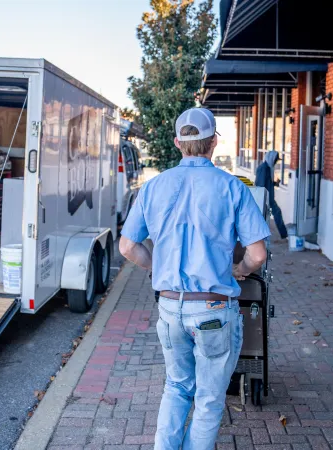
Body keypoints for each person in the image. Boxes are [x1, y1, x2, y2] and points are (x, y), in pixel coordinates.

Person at [119, 107, 270, 450]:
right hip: (215, 308)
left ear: (177, 143)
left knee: (176, 387)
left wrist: (157, 266)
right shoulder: (232, 187)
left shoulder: (154, 187)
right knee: (208, 399)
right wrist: (241, 270)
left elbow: (127, 246)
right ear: (213, 142)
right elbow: (258, 254)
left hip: (171, 308)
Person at [254, 150, 288, 240]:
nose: (276, 162)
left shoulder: (268, 168)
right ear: (271, 159)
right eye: (275, 160)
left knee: (275, 213)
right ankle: (260, 238)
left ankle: (284, 234)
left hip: (269, 198)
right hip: (264, 198)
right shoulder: (263, 168)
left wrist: (275, 183)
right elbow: (260, 184)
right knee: (266, 217)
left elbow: (267, 183)